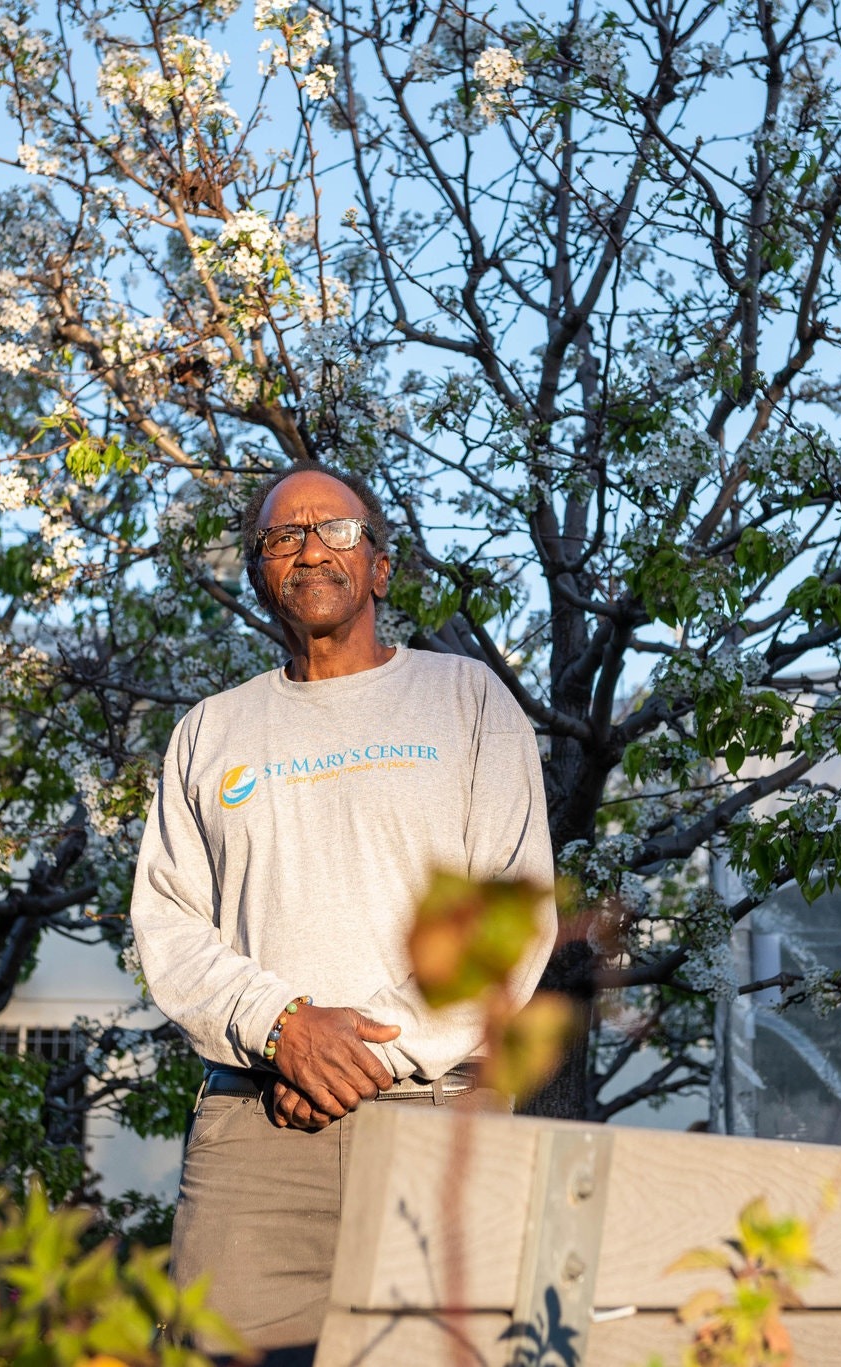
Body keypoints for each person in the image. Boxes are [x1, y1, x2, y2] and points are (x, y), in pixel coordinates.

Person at [129, 462, 557, 1361]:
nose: (311, 549)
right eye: (284, 536)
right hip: (257, 1137)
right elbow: (168, 927)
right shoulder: (210, 731)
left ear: (380, 568)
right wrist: (284, 1028)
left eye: (337, 531)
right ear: (259, 571)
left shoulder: (467, 699)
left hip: (439, 1122)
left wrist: (344, 1054)